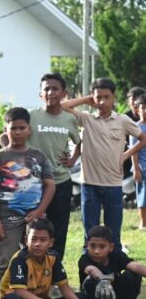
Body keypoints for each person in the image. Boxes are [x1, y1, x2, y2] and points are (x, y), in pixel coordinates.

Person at [61, 78, 146, 249]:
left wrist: (125, 155)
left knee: (113, 234)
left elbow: (142, 139)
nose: (102, 101)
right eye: (98, 97)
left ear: (113, 97)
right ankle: (88, 269)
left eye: (107, 97)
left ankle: (113, 268)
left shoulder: (123, 120)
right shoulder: (86, 119)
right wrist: (86, 99)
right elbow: (62, 107)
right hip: (89, 185)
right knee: (90, 232)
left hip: (113, 185)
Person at [0, 107, 55, 299]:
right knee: (3, 260)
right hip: (7, 218)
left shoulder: (39, 157)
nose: (17, 132)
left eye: (21, 128)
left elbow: (50, 186)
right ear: (5, 130)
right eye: (13, 128)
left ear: (29, 130)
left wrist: (40, 210)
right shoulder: (0, 157)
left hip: (35, 220)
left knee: (37, 259)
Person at [27, 73, 81, 260]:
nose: (50, 92)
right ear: (40, 94)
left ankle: (55, 273)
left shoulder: (69, 119)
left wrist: (73, 158)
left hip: (61, 181)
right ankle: (29, 272)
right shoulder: (31, 116)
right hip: (33, 183)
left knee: (58, 230)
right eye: (46, 89)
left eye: (55, 88)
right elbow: (6, 137)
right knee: (30, 228)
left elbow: (79, 142)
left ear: (63, 93)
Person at [0, 219, 88, 299]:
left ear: (51, 242)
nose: (37, 244)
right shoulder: (20, 258)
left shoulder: (53, 257)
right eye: (34, 239)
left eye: (43, 240)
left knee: (81, 298)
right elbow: (19, 292)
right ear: (26, 240)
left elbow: (64, 288)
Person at [78, 225, 146, 299]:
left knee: (133, 275)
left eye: (102, 246)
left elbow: (136, 266)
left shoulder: (117, 255)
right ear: (86, 245)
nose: (97, 251)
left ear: (111, 247)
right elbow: (91, 269)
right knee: (91, 281)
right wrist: (102, 279)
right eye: (92, 246)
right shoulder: (84, 259)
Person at [131, 94, 146, 229]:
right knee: (142, 195)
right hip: (142, 167)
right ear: (137, 109)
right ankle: (143, 222)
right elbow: (133, 150)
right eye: (143, 107)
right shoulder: (135, 127)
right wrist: (136, 169)